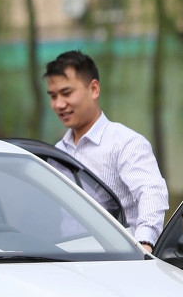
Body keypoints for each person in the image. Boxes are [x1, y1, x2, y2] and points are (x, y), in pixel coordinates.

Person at [44, 49, 168, 252]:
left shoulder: (126, 143)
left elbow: (151, 192)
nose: (59, 104)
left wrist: (144, 245)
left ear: (94, 89)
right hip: (69, 265)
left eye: (66, 93)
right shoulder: (56, 154)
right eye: (53, 96)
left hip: (119, 264)